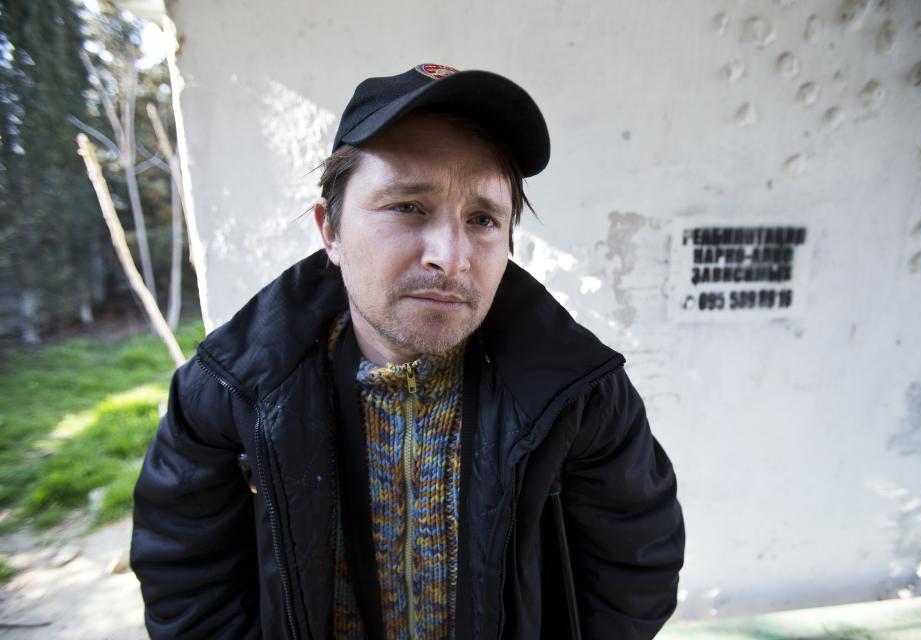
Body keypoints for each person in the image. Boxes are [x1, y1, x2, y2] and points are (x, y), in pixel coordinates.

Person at [131, 63, 684, 640]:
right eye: (407, 207)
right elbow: (188, 586)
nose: (451, 255)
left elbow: (633, 574)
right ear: (331, 231)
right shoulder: (228, 393)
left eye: (482, 219)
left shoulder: (580, 396)